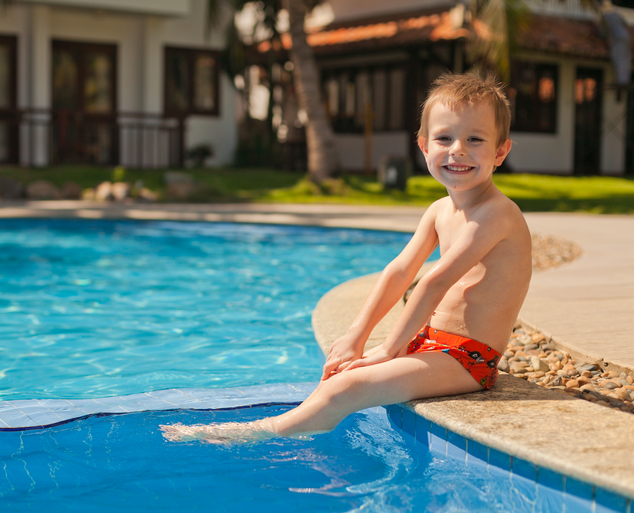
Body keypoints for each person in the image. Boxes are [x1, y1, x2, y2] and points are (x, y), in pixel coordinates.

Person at [162, 71, 532, 443]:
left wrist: (388, 349)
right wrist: (356, 336)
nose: (458, 150)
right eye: (444, 138)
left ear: (500, 152)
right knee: (342, 372)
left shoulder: (496, 213)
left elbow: (434, 282)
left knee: (346, 387)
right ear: (423, 146)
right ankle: (301, 425)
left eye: (475, 139)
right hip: (432, 344)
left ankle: (257, 433)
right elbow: (399, 272)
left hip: (469, 360)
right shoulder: (439, 210)